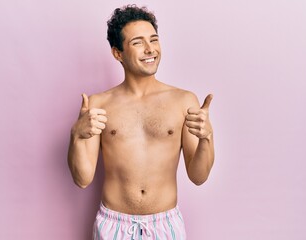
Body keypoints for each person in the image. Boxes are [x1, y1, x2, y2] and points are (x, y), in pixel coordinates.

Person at [68, 5, 215, 240]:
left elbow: (199, 176)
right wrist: (76, 135)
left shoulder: (184, 101)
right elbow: (82, 179)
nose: (150, 49)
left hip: (165, 224)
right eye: (137, 42)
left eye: (154, 40)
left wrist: (207, 138)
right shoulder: (98, 104)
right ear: (118, 53)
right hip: (113, 224)